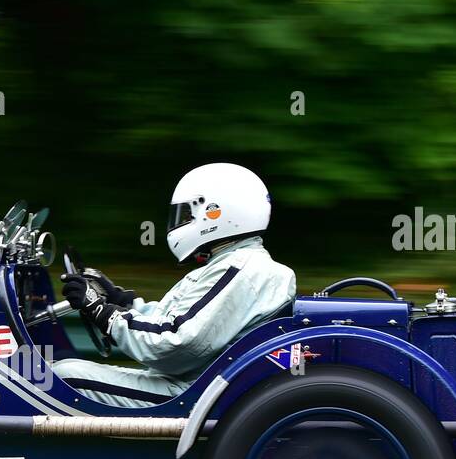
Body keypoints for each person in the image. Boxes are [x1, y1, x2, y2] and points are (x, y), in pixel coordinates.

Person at [53, 163, 297, 408]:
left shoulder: (241, 268)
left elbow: (173, 344)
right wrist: (119, 301)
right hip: (196, 382)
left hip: (191, 393)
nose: (181, 223)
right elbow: (174, 321)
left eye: (187, 215)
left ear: (215, 212)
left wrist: (102, 313)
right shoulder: (234, 264)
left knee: (61, 376)